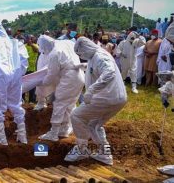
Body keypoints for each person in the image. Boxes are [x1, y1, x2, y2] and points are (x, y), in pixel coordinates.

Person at [64, 37, 127, 165]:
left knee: (76, 116)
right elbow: (96, 68)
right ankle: (105, 154)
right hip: (117, 98)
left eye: (81, 53)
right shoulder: (96, 56)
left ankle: (82, 149)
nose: (81, 56)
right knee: (95, 125)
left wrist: (92, 90)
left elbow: (109, 72)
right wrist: (83, 66)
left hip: (107, 97)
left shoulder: (100, 56)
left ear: (86, 48)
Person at [37, 35, 85, 141]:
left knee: (59, 103)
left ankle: (54, 133)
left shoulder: (54, 53)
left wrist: (41, 82)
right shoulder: (65, 43)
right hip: (80, 76)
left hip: (70, 79)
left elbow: (51, 74)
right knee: (70, 104)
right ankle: (64, 129)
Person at [23, 35, 39, 104]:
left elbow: (37, 50)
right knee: (23, 85)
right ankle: (22, 100)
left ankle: (31, 100)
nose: (29, 39)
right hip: (24, 69)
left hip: (32, 69)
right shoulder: (23, 46)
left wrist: (31, 44)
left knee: (32, 86)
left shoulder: (35, 46)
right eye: (27, 38)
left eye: (30, 38)